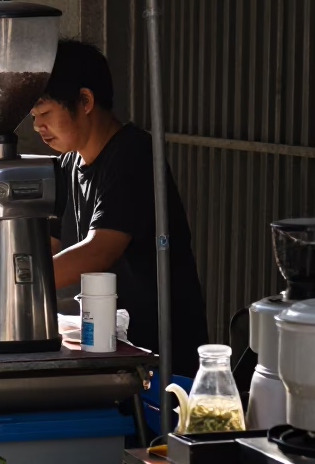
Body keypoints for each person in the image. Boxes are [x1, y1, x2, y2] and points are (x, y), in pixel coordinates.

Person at [32, 39, 208, 375]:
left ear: (84, 101)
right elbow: (47, 244)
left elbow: (100, 250)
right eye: (34, 115)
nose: (38, 126)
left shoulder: (134, 154)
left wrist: (19, 285)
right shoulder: (69, 164)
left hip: (159, 353)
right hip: (109, 346)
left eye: (45, 113)